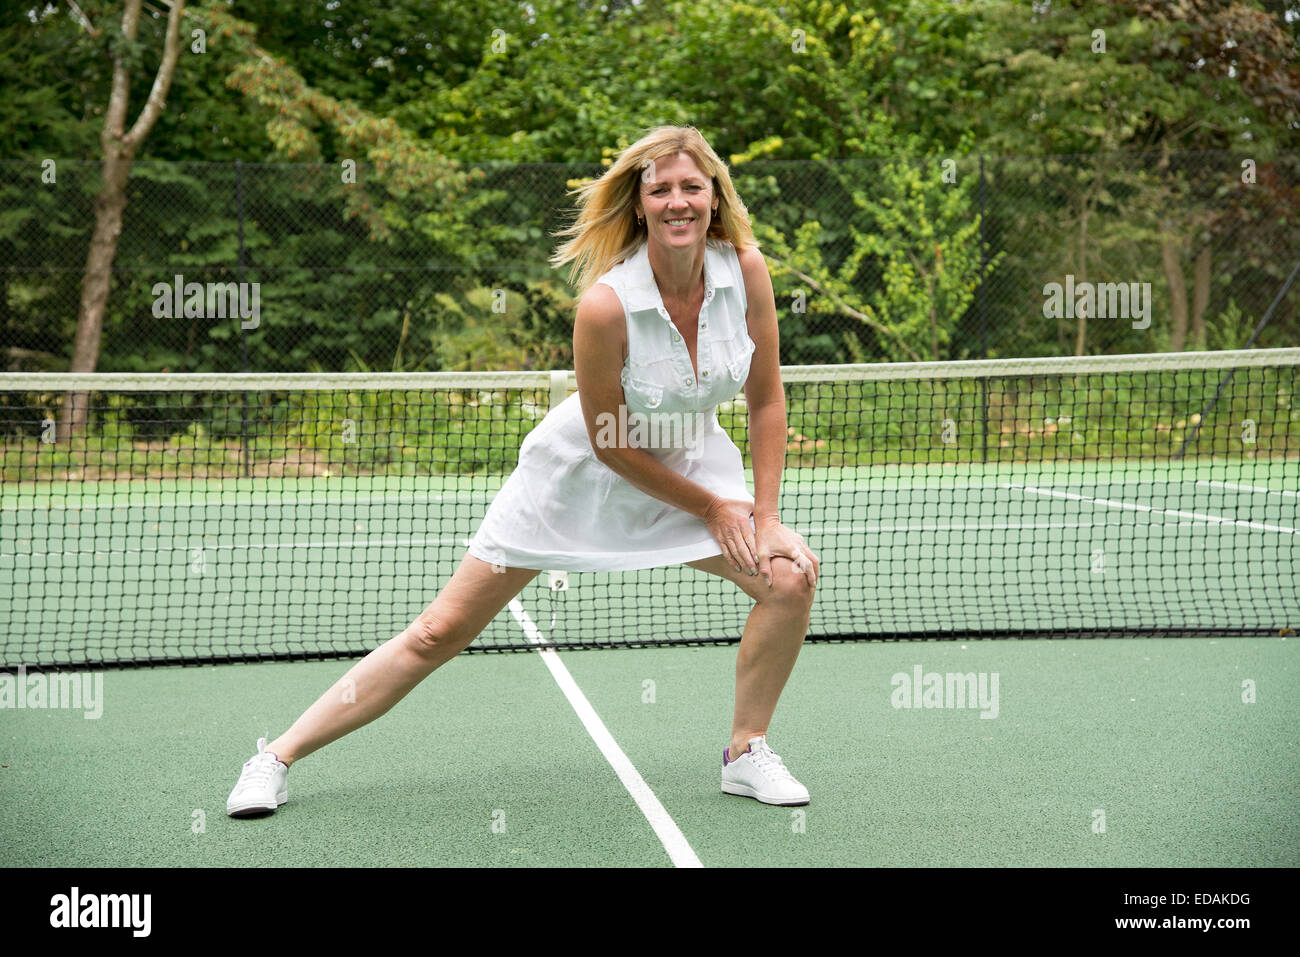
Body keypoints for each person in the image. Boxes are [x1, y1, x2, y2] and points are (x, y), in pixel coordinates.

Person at [226, 125, 821, 817]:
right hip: (579, 477)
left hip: (691, 462)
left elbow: (767, 395)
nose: (678, 202)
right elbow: (610, 440)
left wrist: (765, 517)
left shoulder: (746, 271)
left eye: (693, 187)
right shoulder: (605, 305)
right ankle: (274, 756)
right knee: (437, 632)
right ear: (638, 205)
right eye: (661, 190)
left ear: (715, 198)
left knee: (790, 578)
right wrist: (716, 509)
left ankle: (746, 752)